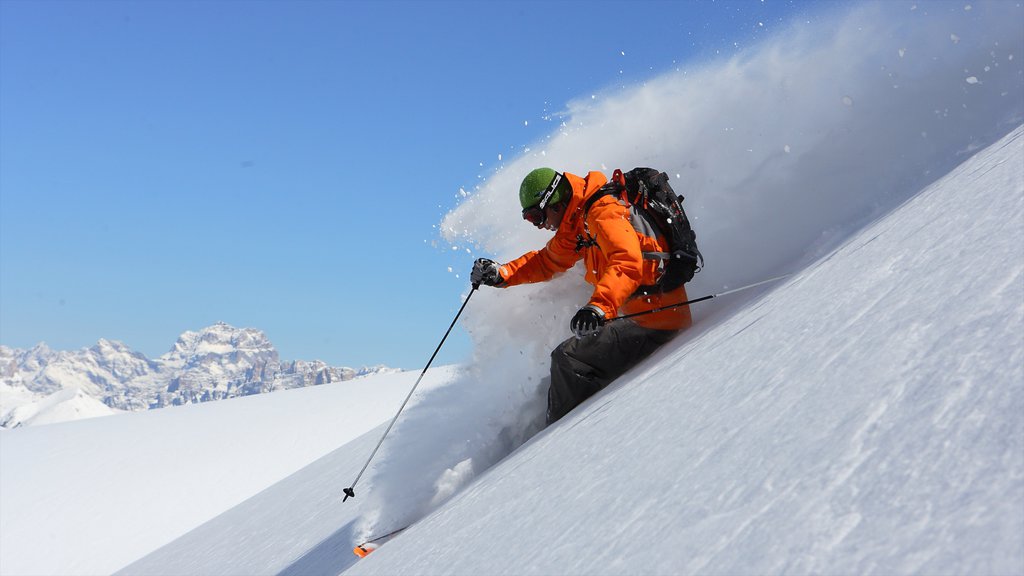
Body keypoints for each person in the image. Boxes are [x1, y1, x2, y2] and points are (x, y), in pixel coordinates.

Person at [471, 167, 693, 425]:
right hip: (644, 316)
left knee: (568, 359)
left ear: (552, 202)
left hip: (660, 319)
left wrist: (599, 307)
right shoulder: (578, 225)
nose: (540, 225)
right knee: (575, 358)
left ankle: (561, 439)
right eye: (531, 219)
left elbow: (628, 262)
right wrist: (502, 274)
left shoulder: (602, 214)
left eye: (536, 216)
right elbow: (546, 261)